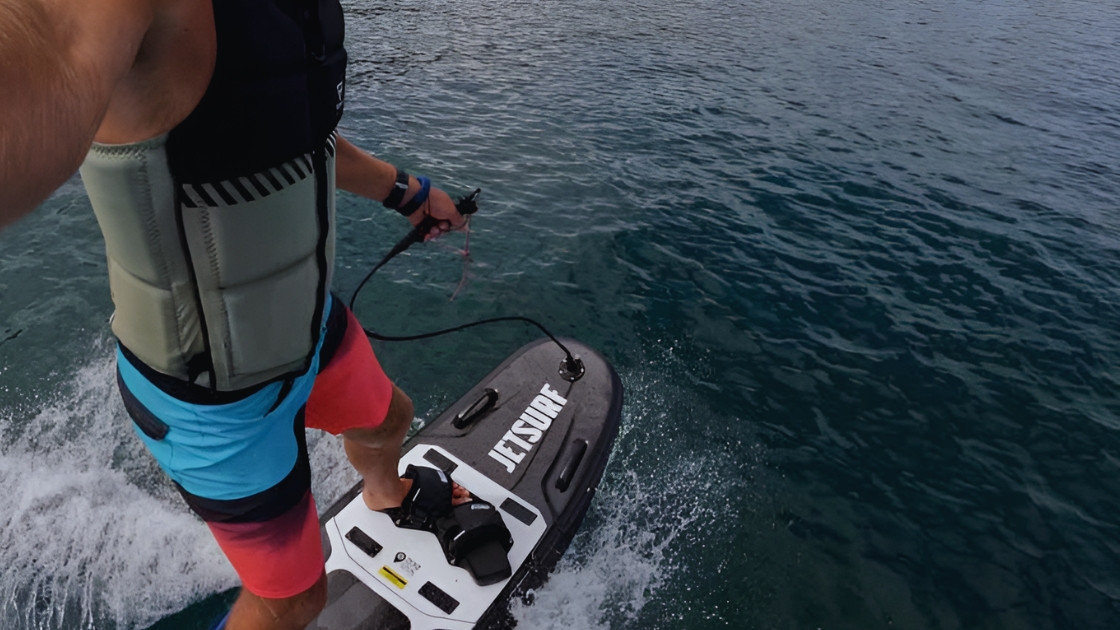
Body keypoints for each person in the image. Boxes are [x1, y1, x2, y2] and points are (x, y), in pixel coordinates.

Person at [1, 1, 473, 628]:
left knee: (390, 421)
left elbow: (300, 135)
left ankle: (386, 494)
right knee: (293, 600)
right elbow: (47, 50)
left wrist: (405, 191)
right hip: (209, 401)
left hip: (311, 330)